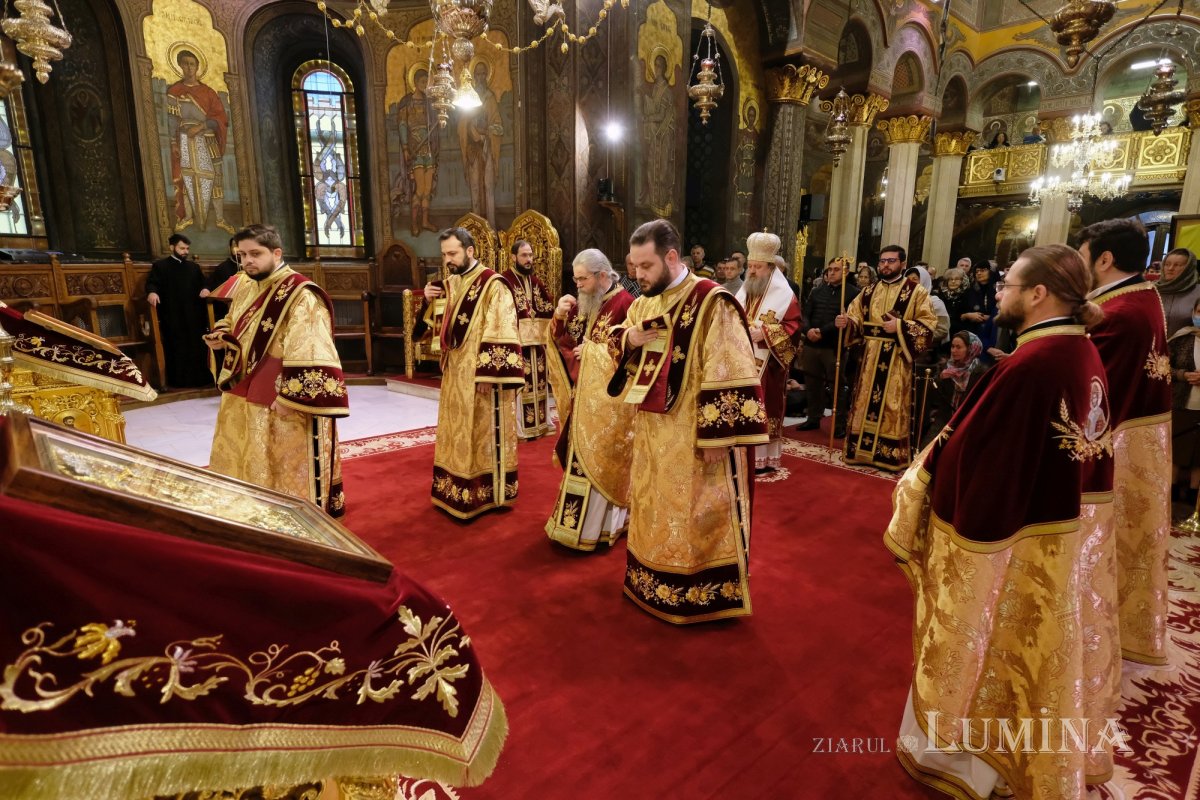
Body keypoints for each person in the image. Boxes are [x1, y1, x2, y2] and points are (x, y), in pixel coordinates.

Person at [886, 244, 1118, 800]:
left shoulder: (1031, 365)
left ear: (1038, 294)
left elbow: (980, 459)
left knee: (994, 646)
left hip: (1011, 543)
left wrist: (921, 487)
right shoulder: (1078, 350)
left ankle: (972, 759)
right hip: (1053, 531)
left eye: (1007, 285)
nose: (998, 293)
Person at [612, 219, 767, 624]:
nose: (638, 275)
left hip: (695, 436)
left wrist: (720, 436)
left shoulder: (712, 301)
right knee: (653, 506)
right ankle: (649, 579)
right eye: (634, 266)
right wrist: (629, 340)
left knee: (697, 511)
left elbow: (729, 364)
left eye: (646, 266)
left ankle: (696, 593)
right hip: (652, 432)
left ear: (670, 257)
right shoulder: (644, 302)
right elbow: (618, 338)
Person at [205, 224, 349, 516]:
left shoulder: (301, 294)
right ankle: (251, 506)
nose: (247, 261)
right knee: (246, 451)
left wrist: (289, 398)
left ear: (276, 253)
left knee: (282, 462)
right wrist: (220, 334)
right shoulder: (246, 284)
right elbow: (231, 319)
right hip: (241, 384)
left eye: (255, 254)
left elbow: (311, 347)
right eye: (242, 255)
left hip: (279, 395)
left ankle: (292, 514)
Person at [1078, 217, 1171, 666]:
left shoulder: (1117, 314)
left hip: (1115, 449)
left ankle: (1089, 628)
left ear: (1105, 259)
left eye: (1082, 257)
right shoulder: (1143, 296)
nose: (1078, 266)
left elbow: (1086, 393)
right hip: (1138, 445)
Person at [424, 226, 524, 519]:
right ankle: (452, 488)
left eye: (453, 253)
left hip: (481, 377)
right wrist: (428, 301)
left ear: (470, 251)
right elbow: (438, 330)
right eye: (444, 255)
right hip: (454, 374)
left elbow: (502, 326)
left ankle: (486, 493)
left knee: (481, 433)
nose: (448, 260)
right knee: (455, 432)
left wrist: (488, 375)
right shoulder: (451, 283)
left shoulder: (493, 285)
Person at [545, 249, 636, 550]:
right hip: (582, 400)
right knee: (579, 457)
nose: (578, 285)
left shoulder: (626, 304)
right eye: (575, 279)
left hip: (610, 406)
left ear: (602, 275)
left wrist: (594, 354)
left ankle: (602, 528)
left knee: (602, 462)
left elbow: (632, 357)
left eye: (582, 279)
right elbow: (564, 340)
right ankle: (574, 525)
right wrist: (559, 315)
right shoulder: (586, 300)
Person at [835, 245, 937, 471]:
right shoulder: (868, 291)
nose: (885, 265)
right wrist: (847, 322)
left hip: (897, 358)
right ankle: (860, 451)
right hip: (870, 358)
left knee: (892, 404)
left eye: (891, 261)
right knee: (864, 402)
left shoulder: (916, 292)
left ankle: (889, 455)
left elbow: (929, 324)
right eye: (882, 261)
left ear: (903, 263)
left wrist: (900, 326)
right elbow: (856, 315)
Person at [734, 230, 803, 472]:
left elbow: (794, 327)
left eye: (758, 267)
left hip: (768, 365)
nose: (752, 271)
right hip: (741, 358)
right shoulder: (745, 290)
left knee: (764, 406)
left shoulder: (785, 296)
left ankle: (761, 459)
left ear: (771, 268)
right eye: (750, 266)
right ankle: (740, 455)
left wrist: (765, 334)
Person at [165, 49, 234, 233]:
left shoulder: (208, 93)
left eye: (192, 64)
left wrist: (201, 127)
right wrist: (174, 143)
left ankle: (220, 218)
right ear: (180, 66)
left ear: (197, 67)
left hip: (208, 140)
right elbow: (172, 121)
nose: (189, 67)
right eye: (185, 64)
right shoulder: (174, 91)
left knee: (216, 179)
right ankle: (188, 217)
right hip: (185, 141)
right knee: (188, 178)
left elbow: (220, 118)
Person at [502, 239, 555, 440]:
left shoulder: (536, 282)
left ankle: (540, 425)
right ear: (513, 257)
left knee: (539, 383)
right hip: (516, 343)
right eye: (524, 255)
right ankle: (520, 429)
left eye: (531, 255)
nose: (528, 259)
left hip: (537, 343)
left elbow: (546, 307)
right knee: (521, 385)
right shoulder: (505, 281)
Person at [800, 258, 860, 436]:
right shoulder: (817, 291)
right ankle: (813, 417)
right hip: (811, 344)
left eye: (836, 269)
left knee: (837, 387)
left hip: (834, 347)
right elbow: (805, 314)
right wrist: (808, 330)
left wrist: (822, 331)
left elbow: (844, 320)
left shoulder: (853, 293)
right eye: (830, 269)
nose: (832, 272)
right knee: (812, 384)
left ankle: (840, 424)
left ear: (846, 272)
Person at [146, 233, 211, 388]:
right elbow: (152, 283)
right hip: (173, 314)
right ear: (172, 247)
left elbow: (204, 283)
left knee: (197, 346)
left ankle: (201, 380)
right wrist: (152, 292)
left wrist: (206, 289)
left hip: (194, 315)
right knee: (177, 347)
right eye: (182, 248)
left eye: (187, 248)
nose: (185, 252)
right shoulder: (160, 266)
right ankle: (179, 381)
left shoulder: (193, 267)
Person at [394, 67, 441, 237]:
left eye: (427, 83)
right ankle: (414, 223)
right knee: (419, 189)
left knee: (427, 190)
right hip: (416, 149)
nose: (425, 85)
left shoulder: (430, 103)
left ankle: (425, 222)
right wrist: (406, 148)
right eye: (422, 82)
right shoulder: (407, 103)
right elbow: (402, 126)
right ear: (415, 82)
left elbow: (436, 125)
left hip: (428, 149)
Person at [919, 330, 986, 448]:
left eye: (958, 347)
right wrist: (940, 379)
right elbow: (931, 398)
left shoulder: (981, 372)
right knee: (926, 451)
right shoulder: (945, 367)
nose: (954, 351)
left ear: (970, 349)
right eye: (952, 346)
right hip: (944, 421)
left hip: (968, 423)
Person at [458, 62, 503, 223]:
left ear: (487, 75)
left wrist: (486, 132)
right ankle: (477, 226)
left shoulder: (490, 99)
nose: (481, 77)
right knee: (475, 187)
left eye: (483, 73)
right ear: (474, 77)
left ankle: (491, 227)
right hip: (472, 149)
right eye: (478, 74)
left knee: (488, 186)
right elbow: (462, 125)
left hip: (487, 147)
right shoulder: (468, 99)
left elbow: (498, 125)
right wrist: (470, 129)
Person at [1168, 297, 1200, 505]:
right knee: (1177, 451)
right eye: (1199, 311)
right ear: (1193, 313)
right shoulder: (1181, 339)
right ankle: (1170, 496)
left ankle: (1192, 498)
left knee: (1198, 457)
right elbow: (1161, 367)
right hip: (1181, 404)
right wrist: (1183, 375)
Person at [1156, 248, 1200, 336]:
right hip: (1150, 343)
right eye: (1167, 264)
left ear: (1188, 268)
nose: (1170, 268)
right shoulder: (1151, 289)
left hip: (1186, 343)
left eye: (1177, 265)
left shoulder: (1197, 292)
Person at [961, 262, 998, 354]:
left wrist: (990, 318)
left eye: (983, 270)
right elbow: (960, 315)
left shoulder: (998, 291)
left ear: (991, 272)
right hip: (971, 333)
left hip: (994, 333)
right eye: (977, 271)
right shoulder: (969, 292)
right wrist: (968, 315)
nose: (979, 273)